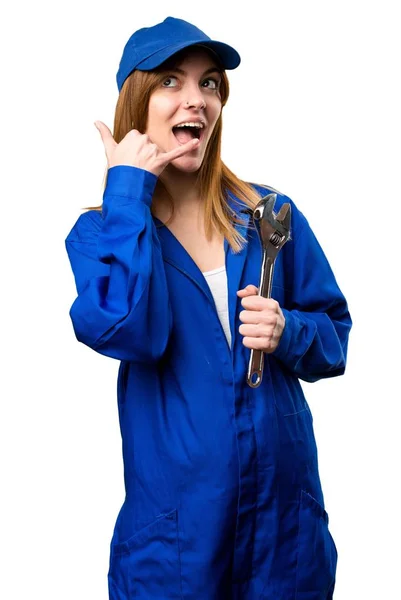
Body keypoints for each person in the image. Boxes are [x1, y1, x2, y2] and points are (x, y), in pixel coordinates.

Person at [65, 16, 352, 600]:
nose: (195, 98)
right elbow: (127, 330)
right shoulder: (102, 232)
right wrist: (127, 191)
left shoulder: (269, 213)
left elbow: (335, 336)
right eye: (171, 81)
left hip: (282, 533)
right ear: (138, 103)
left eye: (209, 83)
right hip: (178, 544)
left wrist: (288, 330)